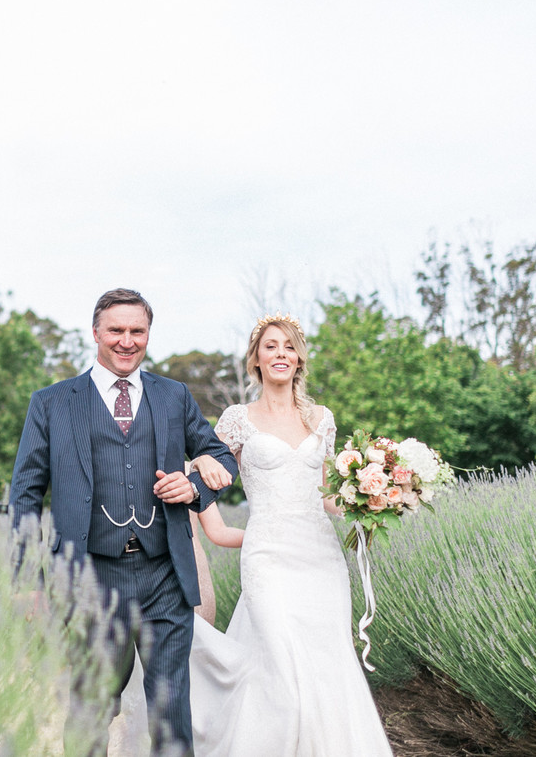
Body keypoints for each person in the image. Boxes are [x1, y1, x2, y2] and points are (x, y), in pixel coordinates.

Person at [8, 288, 239, 757]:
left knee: (172, 713)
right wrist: (28, 578)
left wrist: (196, 487)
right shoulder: (52, 403)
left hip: (164, 576)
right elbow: (25, 495)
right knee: (91, 708)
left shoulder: (173, 395)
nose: (127, 341)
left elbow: (219, 457)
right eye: (116, 330)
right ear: (96, 332)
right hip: (90, 576)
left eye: (138, 331)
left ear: (148, 334)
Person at [185, 313, 394, 756]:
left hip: (320, 560)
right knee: (281, 664)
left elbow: (326, 496)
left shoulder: (322, 418)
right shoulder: (237, 419)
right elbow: (201, 478)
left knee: (327, 664)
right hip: (268, 563)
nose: (281, 353)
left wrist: (375, 497)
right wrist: (220, 530)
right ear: (256, 360)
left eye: (289, 346)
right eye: (271, 346)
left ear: (299, 359)